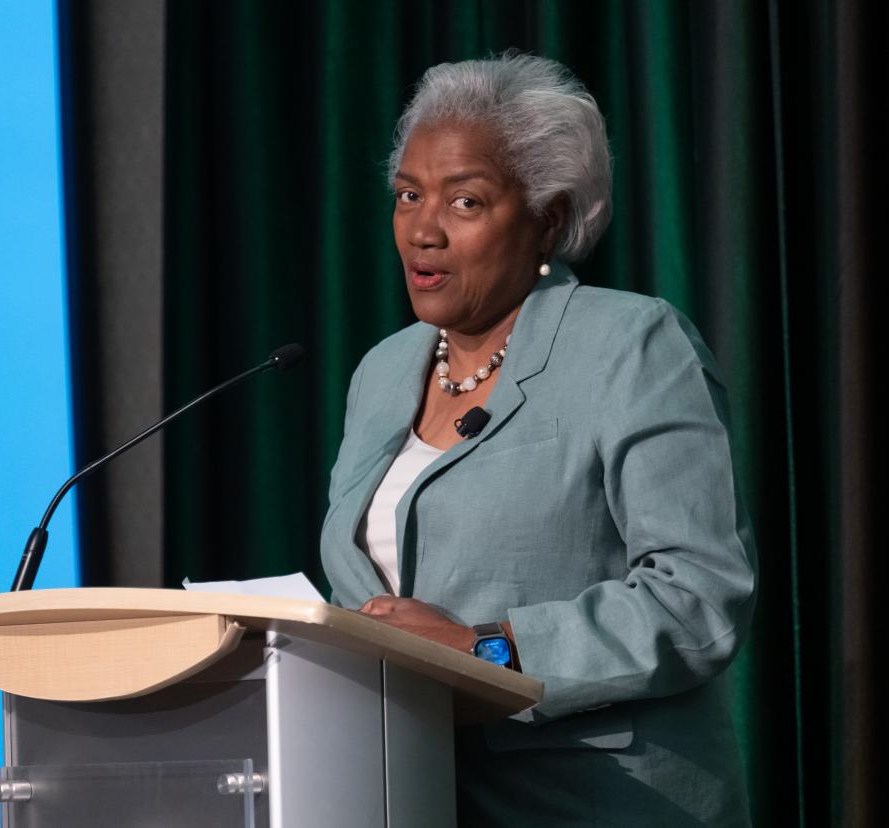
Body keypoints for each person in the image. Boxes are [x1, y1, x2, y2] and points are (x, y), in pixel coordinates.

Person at [320, 53, 757, 826]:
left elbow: (699, 597)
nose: (424, 229)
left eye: (465, 202)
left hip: (596, 802)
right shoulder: (383, 372)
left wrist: (487, 650)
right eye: (409, 195)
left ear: (547, 218)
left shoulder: (631, 344)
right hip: (408, 795)